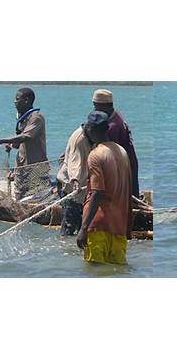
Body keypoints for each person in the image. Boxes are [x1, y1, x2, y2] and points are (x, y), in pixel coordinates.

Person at [76, 111, 133, 265]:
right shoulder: (122, 152)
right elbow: (128, 190)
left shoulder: (95, 155)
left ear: (90, 130)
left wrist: (83, 228)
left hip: (97, 226)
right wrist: (128, 226)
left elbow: (97, 192)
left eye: (87, 129)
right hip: (119, 227)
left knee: (95, 271)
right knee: (117, 272)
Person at [0, 87, 49, 195]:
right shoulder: (23, 119)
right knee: (20, 195)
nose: (14, 102)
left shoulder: (36, 118)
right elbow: (18, 144)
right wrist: (10, 145)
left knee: (36, 197)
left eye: (17, 99)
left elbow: (25, 137)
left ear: (26, 100)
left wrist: (0, 141)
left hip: (36, 168)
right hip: (22, 168)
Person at [92, 89, 140, 198]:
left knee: (124, 198)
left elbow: (104, 153)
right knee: (130, 195)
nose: (94, 110)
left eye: (96, 107)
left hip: (124, 166)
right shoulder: (115, 114)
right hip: (128, 162)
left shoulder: (112, 127)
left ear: (104, 106)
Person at [56, 124, 93, 235]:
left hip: (81, 187)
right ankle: (65, 247)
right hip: (70, 186)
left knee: (80, 223)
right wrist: (75, 180)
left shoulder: (90, 136)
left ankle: (75, 249)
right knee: (69, 225)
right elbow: (74, 164)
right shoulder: (80, 140)